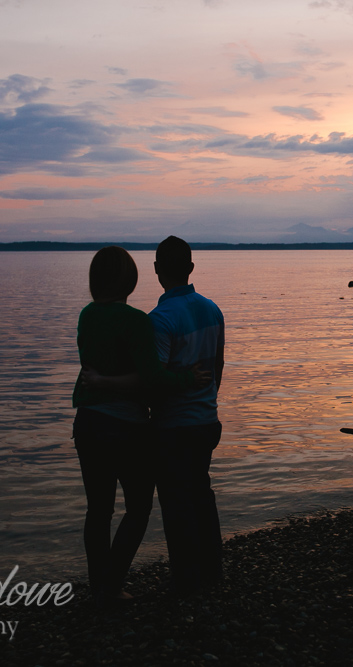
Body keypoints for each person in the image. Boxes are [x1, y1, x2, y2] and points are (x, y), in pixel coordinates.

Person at [71, 246, 200, 608]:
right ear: (130, 279)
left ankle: (99, 586)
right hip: (125, 427)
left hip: (88, 423)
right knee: (139, 507)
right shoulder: (137, 321)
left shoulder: (86, 316)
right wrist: (188, 378)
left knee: (98, 510)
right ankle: (111, 585)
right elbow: (153, 380)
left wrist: (102, 381)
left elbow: (96, 370)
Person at [149, 236, 226, 595]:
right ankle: (212, 568)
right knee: (201, 493)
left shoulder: (160, 319)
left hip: (174, 425)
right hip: (207, 420)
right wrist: (208, 398)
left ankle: (185, 577)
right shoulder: (213, 309)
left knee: (176, 501)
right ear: (191, 268)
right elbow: (219, 365)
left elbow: (156, 381)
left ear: (157, 271)